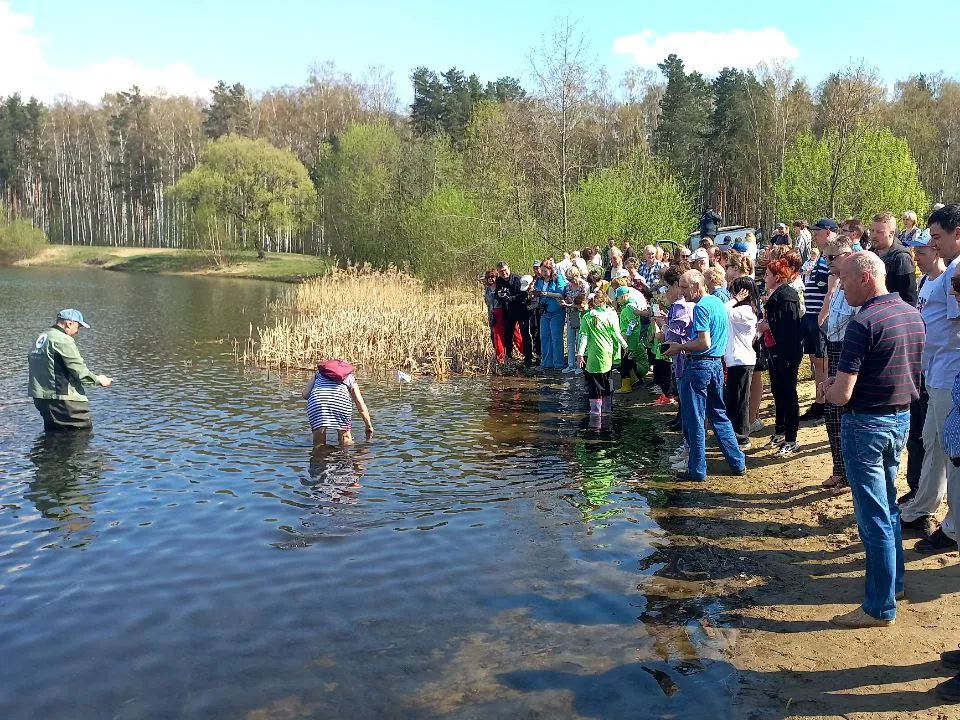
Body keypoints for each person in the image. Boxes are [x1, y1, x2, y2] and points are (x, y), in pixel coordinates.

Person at [822, 252, 924, 628]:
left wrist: (828, 388)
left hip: (866, 424)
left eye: (845, 280)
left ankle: (879, 607)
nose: (840, 288)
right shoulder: (911, 313)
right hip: (900, 420)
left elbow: (843, 394)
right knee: (889, 506)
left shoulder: (862, 323)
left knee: (873, 515)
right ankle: (893, 584)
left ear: (865, 278)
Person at [910, 204, 960, 554]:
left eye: (938, 237)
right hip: (936, 372)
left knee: (953, 451)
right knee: (933, 443)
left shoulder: (958, 271)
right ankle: (921, 507)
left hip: (950, 376)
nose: (933, 244)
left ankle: (954, 528)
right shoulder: (948, 271)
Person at [663, 270, 746, 481]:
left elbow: (703, 342)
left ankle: (697, 470)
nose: (681, 291)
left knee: (695, 419)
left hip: (700, 365)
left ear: (696, 286)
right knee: (719, 414)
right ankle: (737, 462)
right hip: (717, 365)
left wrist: (679, 347)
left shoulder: (700, 307)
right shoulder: (718, 302)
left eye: (684, 287)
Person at [898, 229, 941, 510]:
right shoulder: (925, 281)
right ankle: (917, 490)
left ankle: (926, 501)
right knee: (918, 435)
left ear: (935, 251)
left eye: (921, 252)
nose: (916, 257)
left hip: (939, 372)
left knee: (933, 441)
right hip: (922, 369)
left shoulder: (946, 282)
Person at [28, 309, 113, 431]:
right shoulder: (63, 340)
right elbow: (80, 372)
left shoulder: (41, 337)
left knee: (54, 436)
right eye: (78, 327)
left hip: (40, 399)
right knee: (80, 436)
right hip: (64, 401)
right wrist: (100, 380)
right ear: (69, 323)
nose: (77, 331)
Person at [817, 237, 857, 491]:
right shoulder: (839, 285)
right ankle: (839, 470)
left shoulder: (855, 286)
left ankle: (848, 474)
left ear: (848, 254)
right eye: (826, 258)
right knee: (831, 416)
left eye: (833, 257)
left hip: (848, 353)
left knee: (844, 416)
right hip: (834, 350)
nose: (828, 263)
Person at [758, 259, 804, 456]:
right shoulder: (777, 294)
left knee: (788, 393)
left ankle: (791, 438)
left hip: (786, 353)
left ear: (777, 277)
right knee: (778, 391)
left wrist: (767, 325)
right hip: (775, 351)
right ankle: (780, 429)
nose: (764, 278)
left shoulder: (786, 295)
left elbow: (788, 327)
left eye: (767, 275)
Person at [799, 218, 837, 422]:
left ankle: (823, 404)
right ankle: (819, 401)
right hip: (812, 315)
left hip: (820, 317)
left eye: (818, 231)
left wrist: (823, 315)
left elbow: (831, 289)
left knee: (823, 363)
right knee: (817, 361)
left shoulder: (831, 257)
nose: (815, 234)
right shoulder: (822, 257)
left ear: (829, 232)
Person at [576, 292, 628, 416]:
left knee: (594, 383)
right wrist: (625, 346)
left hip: (594, 355)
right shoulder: (609, 316)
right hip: (607, 354)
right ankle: (607, 410)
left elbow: (583, 337)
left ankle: (595, 412)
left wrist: (580, 354)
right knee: (607, 380)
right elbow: (616, 334)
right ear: (604, 302)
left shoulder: (587, 318)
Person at [723, 277, 759, 447]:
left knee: (740, 400)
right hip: (738, 359)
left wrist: (736, 299)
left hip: (741, 360)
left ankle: (742, 436)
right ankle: (736, 434)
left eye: (734, 291)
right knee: (734, 398)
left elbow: (722, 311)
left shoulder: (743, 310)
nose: (731, 294)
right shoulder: (747, 310)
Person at [302, 362, 373, 446]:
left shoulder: (319, 374)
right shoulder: (349, 376)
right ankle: (345, 457)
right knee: (346, 440)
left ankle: (320, 455)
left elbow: (305, 394)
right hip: (340, 403)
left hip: (318, 402)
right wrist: (368, 425)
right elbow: (359, 402)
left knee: (319, 444)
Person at [869, 211, 918, 307]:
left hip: (893, 315)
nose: (873, 235)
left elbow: (909, 299)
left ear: (891, 233)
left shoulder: (901, 258)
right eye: (872, 231)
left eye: (879, 232)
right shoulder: (871, 254)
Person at [614, 285, 650, 394]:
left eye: (618, 298)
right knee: (627, 360)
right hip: (631, 338)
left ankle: (626, 385)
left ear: (623, 296)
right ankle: (634, 380)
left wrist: (625, 337)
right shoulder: (630, 305)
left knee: (625, 362)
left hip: (629, 339)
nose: (617, 300)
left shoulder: (629, 307)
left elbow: (632, 323)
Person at [533, 258, 568, 370]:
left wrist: (545, 293)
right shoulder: (540, 280)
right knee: (544, 337)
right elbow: (537, 290)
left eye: (545, 270)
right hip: (544, 312)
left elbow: (560, 293)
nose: (543, 273)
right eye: (542, 271)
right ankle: (546, 362)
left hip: (556, 312)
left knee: (556, 338)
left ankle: (558, 363)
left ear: (551, 269)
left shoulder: (558, 279)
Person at [561, 266, 589, 373]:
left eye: (571, 279)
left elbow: (583, 303)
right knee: (570, 341)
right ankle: (570, 364)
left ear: (577, 275)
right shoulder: (568, 287)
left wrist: (568, 304)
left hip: (581, 315)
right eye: (568, 279)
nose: (570, 281)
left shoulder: (584, 286)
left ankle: (579, 366)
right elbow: (566, 298)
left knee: (579, 340)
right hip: (570, 315)